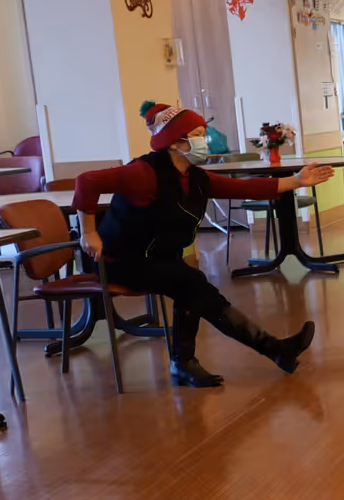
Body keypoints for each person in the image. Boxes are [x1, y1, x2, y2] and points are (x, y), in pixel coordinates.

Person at [72, 102, 329, 388]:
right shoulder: (143, 173)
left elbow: (243, 188)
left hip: (158, 259)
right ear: (174, 143)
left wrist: (296, 181)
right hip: (120, 262)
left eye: (202, 134)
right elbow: (86, 182)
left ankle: (190, 363)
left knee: (190, 285)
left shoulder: (195, 178)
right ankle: (268, 350)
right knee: (191, 281)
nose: (204, 141)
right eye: (196, 135)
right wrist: (88, 233)